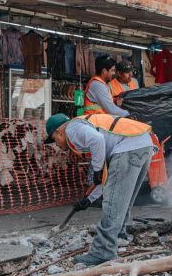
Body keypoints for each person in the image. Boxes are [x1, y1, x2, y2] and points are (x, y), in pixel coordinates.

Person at [45, 113, 157, 266]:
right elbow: (102, 175)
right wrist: (89, 199)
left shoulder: (73, 128)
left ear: (59, 131)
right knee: (123, 198)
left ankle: (103, 251)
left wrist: (97, 170)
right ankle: (119, 235)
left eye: (54, 139)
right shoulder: (87, 128)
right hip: (143, 143)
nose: (56, 144)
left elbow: (98, 141)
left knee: (113, 202)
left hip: (129, 147)